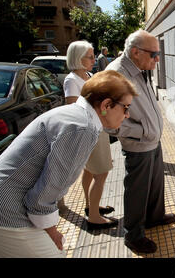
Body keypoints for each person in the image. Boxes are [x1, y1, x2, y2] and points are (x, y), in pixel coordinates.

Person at [0, 70, 138, 258]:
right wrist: (52, 232)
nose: (127, 115)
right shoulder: (82, 128)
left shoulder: (76, 116)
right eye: (125, 107)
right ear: (106, 105)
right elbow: (45, 194)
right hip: (7, 210)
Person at [106, 29, 175, 254]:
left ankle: (154, 217)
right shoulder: (116, 75)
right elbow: (108, 121)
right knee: (137, 190)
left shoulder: (139, 67)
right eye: (154, 54)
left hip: (152, 140)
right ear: (136, 52)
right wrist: (142, 131)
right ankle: (133, 235)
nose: (158, 59)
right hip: (139, 143)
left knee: (155, 183)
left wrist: (151, 131)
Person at [64, 41, 117, 230]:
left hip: (98, 128)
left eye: (94, 55)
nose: (94, 59)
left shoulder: (88, 75)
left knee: (89, 170)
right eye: (90, 56)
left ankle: (90, 206)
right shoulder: (72, 80)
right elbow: (73, 108)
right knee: (101, 173)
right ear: (78, 58)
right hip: (89, 131)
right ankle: (94, 217)